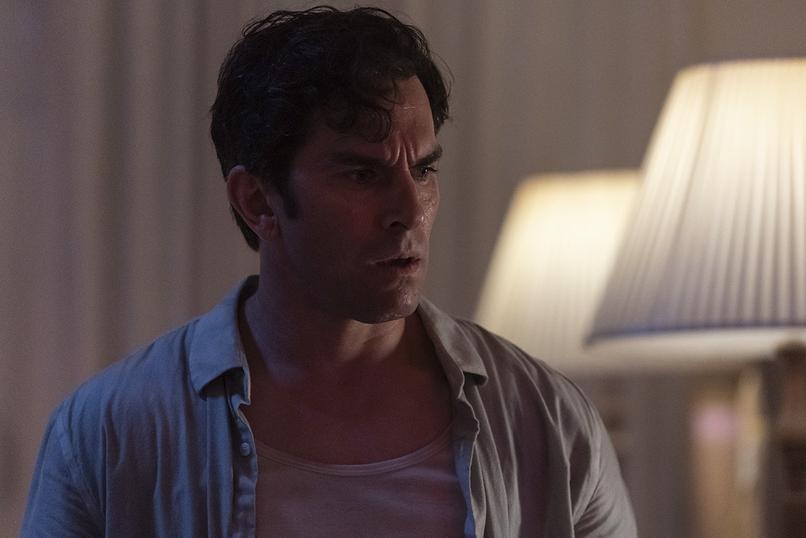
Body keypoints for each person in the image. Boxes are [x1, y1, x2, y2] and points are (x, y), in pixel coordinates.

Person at [22, 6, 636, 537]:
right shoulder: (109, 435)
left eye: (423, 170)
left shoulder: (546, 421)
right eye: (363, 174)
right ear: (258, 201)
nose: (409, 211)